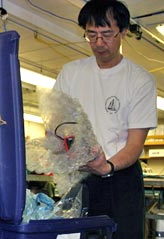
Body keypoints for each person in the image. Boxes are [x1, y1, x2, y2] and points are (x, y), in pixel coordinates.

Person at [53, 0, 157, 238]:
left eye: (107, 34)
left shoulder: (139, 80)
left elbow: (134, 145)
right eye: (92, 35)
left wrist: (106, 166)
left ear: (122, 32)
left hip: (121, 178)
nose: (99, 43)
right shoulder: (71, 73)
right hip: (80, 177)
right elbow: (57, 123)